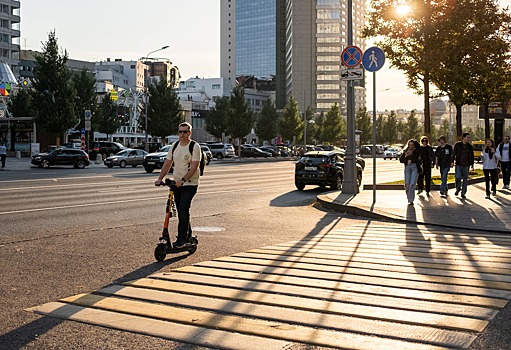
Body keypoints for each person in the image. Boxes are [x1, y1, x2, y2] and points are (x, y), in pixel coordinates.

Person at [154, 122, 201, 248]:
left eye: (185, 132)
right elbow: (167, 163)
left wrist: (183, 180)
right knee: (181, 212)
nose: (182, 134)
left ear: (190, 133)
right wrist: (160, 178)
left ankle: (181, 240)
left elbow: (194, 167)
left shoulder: (194, 146)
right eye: (180, 132)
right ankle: (188, 236)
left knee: (183, 209)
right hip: (177, 184)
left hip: (190, 184)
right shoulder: (174, 146)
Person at [452, 132, 474, 199]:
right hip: (458, 164)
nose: (468, 139)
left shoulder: (470, 146)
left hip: (466, 165)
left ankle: (463, 193)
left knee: (465, 179)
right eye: (467, 137)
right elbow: (454, 153)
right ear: (463, 138)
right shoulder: (458, 145)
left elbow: (472, 156)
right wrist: (452, 161)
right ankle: (458, 188)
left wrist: (472, 164)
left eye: (469, 138)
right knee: (458, 177)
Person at [399, 139, 421, 205]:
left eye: (412, 145)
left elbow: (417, 159)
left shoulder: (417, 151)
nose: (410, 146)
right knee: (407, 184)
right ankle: (409, 198)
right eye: (409, 145)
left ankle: (411, 200)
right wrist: (406, 155)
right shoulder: (406, 151)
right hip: (407, 168)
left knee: (412, 184)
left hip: (414, 167)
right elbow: (401, 160)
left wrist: (412, 154)